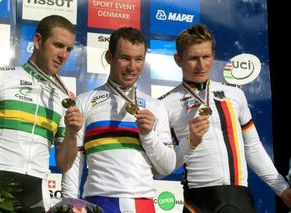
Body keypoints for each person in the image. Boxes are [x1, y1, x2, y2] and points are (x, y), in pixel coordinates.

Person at [159, 23, 291, 212]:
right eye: (193, 58)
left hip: (239, 196)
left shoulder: (234, 94)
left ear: (213, 56)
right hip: (198, 201)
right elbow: (165, 164)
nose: (201, 65)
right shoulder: (165, 104)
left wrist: (282, 188)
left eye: (206, 57)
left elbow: (252, 146)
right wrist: (190, 141)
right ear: (178, 60)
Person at [0, 15, 83, 212]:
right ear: (38, 41)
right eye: (58, 45)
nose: (63, 55)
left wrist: (73, 134)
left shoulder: (64, 97)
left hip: (37, 190)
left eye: (69, 49)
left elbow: (64, 164)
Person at [61, 27, 176, 212]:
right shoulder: (84, 101)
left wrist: (147, 135)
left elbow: (167, 167)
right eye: (125, 58)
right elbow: (75, 160)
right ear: (109, 57)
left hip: (141, 202)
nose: (132, 67)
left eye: (138, 59)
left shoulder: (155, 106)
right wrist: (69, 203)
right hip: (98, 201)